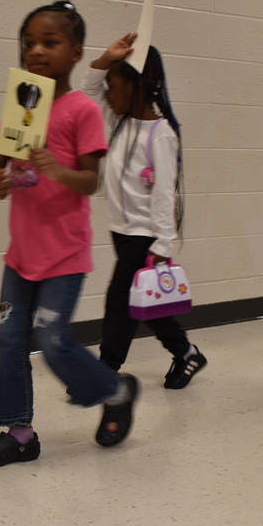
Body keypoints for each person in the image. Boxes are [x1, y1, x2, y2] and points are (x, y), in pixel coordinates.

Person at [0, 1, 141, 468]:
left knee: (55, 339)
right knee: (9, 341)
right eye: (29, 43)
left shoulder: (82, 110)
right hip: (20, 256)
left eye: (50, 42)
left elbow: (91, 180)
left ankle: (116, 390)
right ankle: (19, 433)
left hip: (62, 256)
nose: (37, 51)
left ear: (77, 52)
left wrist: (55, 169)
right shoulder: (24, 100)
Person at [81, 33, 207, 391]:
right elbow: (88, 90)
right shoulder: (118, 119)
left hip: (146, 236)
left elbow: (164, 195)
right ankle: (186, 352)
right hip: (121, 230)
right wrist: (106, 60)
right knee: (143, 302)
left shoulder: (161, 135)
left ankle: (106, 371)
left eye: (114, 86)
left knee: (119, 298)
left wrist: (162, 244)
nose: (107, 93)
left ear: (136, 87)